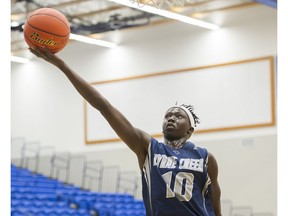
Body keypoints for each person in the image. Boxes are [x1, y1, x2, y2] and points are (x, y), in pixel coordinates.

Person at [29, 46, 222, 216]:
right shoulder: (148, 148)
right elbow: (104, 107)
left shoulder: (205, 158)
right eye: (167, 115)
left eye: (178, 116)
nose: (171, 117)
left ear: (190, 129)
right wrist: (61, 65)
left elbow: (214, 203)